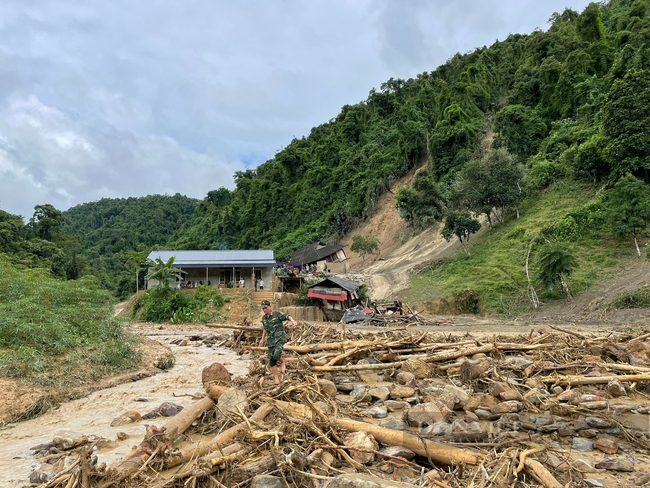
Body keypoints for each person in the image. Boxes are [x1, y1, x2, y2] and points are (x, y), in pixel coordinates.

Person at [259, 300, 297, 385]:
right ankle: (276, 379)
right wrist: (262, 339)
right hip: (271, 341)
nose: (264, 310)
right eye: (263, 308)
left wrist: (293, 321)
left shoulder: (276, 314)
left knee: (276, 354)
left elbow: (287, 316)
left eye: (265, 308)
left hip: (280, 339)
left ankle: (282, 361)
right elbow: (265, 329)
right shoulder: (264, 318)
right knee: (272, 360)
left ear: (270, 307)